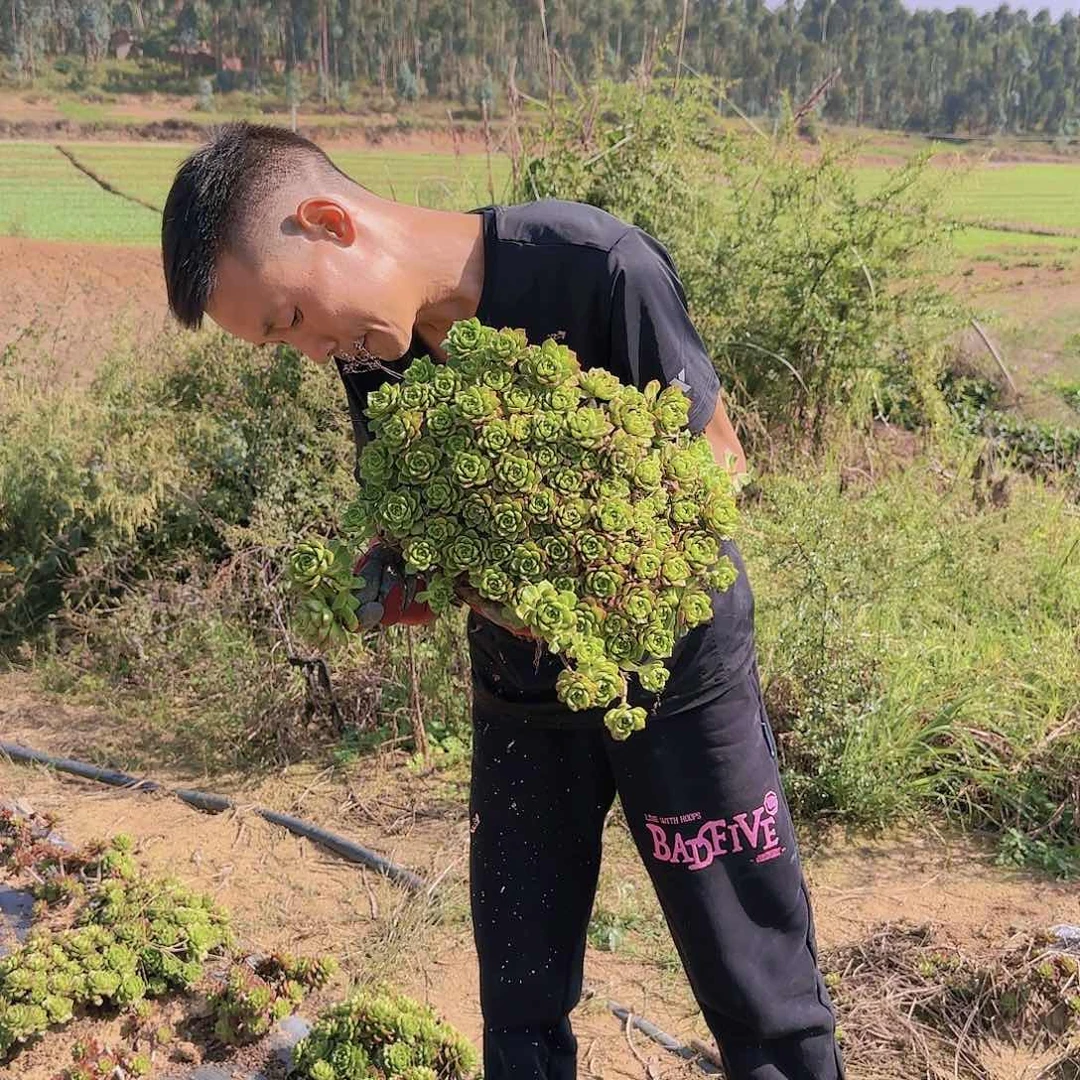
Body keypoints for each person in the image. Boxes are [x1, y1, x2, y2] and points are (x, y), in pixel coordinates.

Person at [161, 122, 846, 1080]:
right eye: (287, 344)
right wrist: (398, 578)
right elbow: (423, 514)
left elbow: (720, 464)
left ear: (329, 223)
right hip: (522, 690)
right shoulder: (371, 351)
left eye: (292, 319)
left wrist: (588, 566)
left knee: (758, 985)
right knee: (521, 994)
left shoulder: (596, 266)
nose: (314, 354)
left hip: (676, 672)